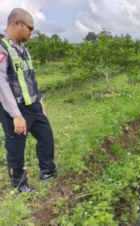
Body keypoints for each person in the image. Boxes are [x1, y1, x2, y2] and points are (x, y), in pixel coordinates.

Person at [0, 8, 56, 192]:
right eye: (30, 29)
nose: (31, 33)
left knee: (46, 136)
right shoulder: (2, 46)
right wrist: (15, 114)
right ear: (16, 23)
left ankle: (48, 171)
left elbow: (29, 76)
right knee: (16, 147)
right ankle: (20, 185)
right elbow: (1, 82)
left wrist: (39, 100)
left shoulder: (22, 48)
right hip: (14, 109)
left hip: (33, 105)